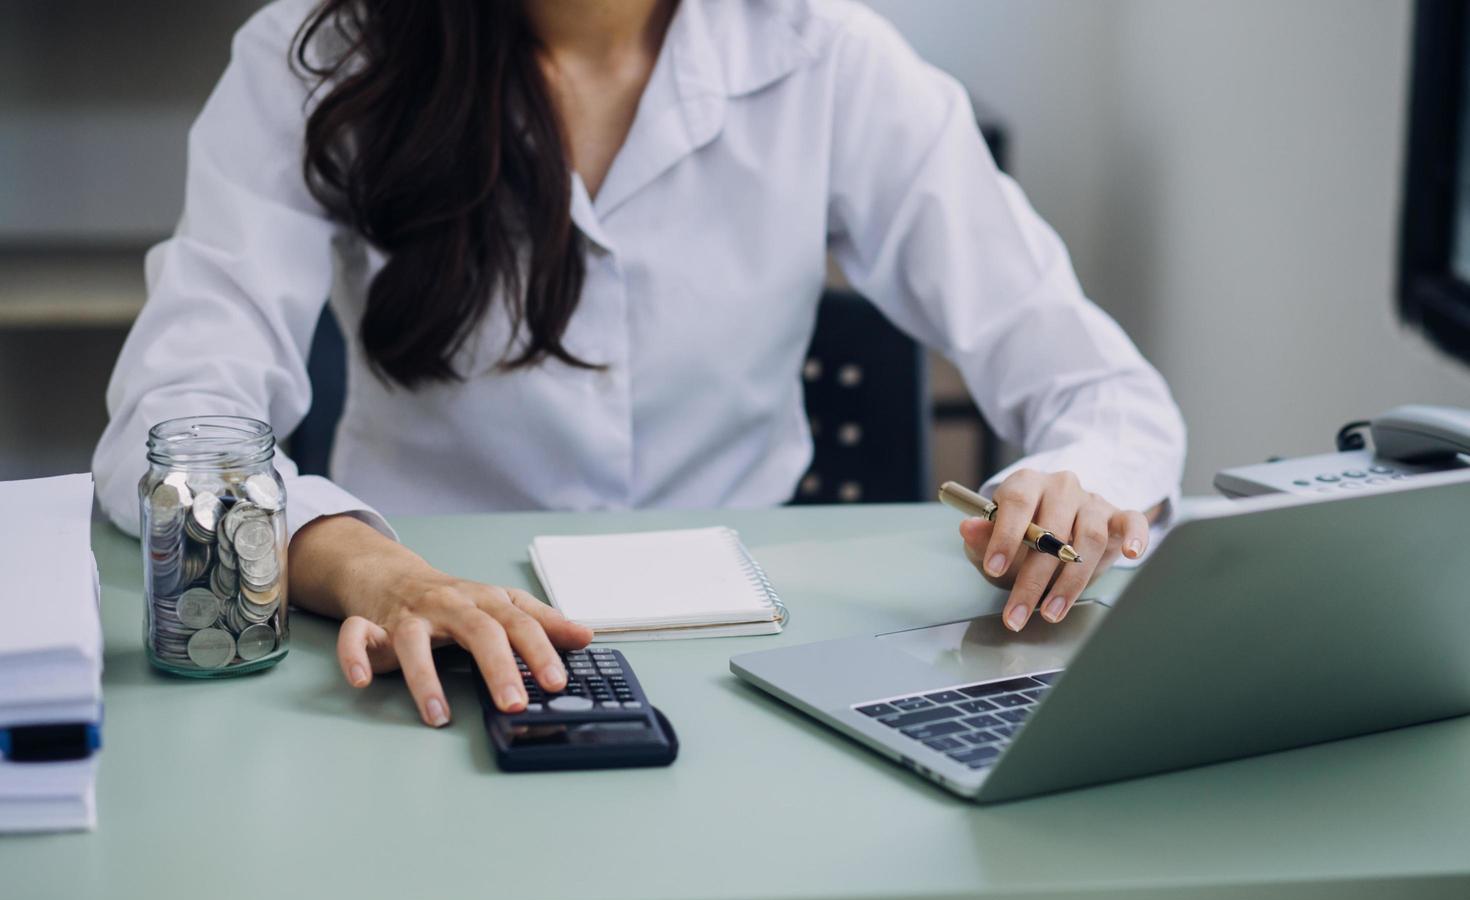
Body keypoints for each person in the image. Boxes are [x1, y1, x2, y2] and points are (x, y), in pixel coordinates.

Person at [93, 0, 1186, 728]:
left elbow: (1104, 392)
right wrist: (370, 568)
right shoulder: (324, 49)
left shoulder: (825, 51)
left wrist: (1068, 487)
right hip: (419, 659)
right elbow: (176, 411)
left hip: (752, 681)